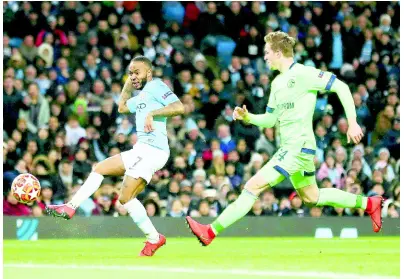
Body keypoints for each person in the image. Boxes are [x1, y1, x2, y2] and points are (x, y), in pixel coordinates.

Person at [186, 31, 383, 246]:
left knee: (252, 186)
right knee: (311, 197)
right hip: (297, 148)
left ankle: (210, 231)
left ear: (279, 52)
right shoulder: (277, 83)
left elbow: (342, 87)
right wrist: (248, 117)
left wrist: (352, 122)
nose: (265, 57)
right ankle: (369, 203)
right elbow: (271, 120)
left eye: (267, 52)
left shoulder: (303, 73)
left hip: (297, 147)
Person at [46, 56, 185, 256]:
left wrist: (152, 114)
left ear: (149, 72)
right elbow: (121, 107)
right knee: (100, 169)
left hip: (155, 150)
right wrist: (129, 83)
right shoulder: (143, 96)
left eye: (137, 72)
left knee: (125, 197)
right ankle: (70, 206)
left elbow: (179, 107)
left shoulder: (156, 86)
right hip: (141, 149)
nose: (133, 76)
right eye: (130, 73)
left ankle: (155, 238)